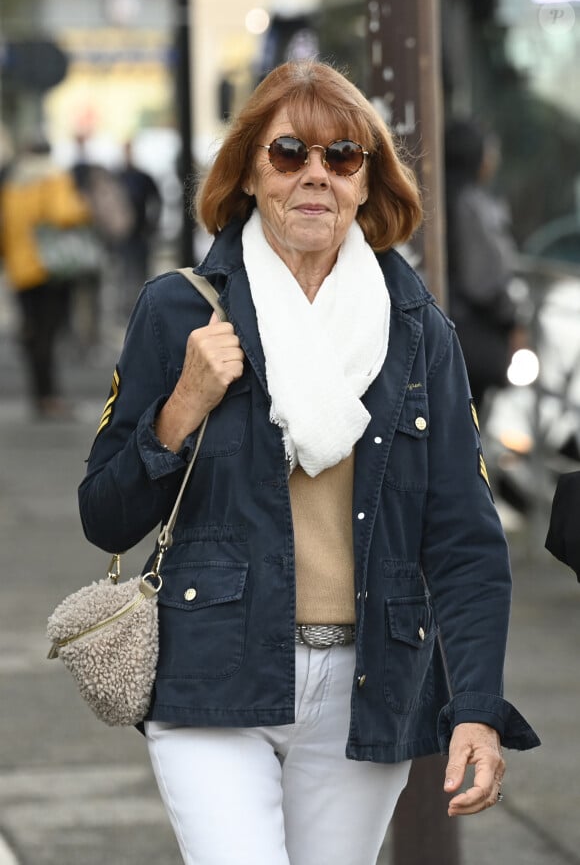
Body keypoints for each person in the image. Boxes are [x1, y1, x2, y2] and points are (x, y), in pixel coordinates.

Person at [78, 61, 539, 865]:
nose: (316, 175)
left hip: (369, 687)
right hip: (213, 672)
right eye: (290, 153)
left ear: (367, 184)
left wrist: (476, 707)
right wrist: (182, 404)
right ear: (251, 174)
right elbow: (104, 516)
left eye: (342, 157)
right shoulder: (178, 309)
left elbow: (466, 539)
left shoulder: (418, 329)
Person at [0, 136, 92, 418]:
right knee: (49, 333)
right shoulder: (53, 179)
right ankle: (50, 396)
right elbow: (65, 213)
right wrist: (82, 209)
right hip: (50, 269)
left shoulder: (12, 185)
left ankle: (40, 394)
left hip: (21, 270)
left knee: (32, 332)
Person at [444, 118, 525, 411]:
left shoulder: (433, 194)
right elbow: (485, 281)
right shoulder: (470, 204)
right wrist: (512, 321)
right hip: (469, 336)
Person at [114, 139, 162, 316]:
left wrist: (152, 224)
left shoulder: (141, 177)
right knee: (124, 272)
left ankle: (141, 305)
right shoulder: (118, 176)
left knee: (141, 270)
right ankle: (127, 307)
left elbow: (156, 200)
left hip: (140, 233)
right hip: (124, 235)